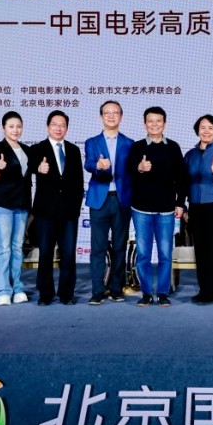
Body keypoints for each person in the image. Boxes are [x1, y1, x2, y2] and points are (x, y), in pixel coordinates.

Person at [126, 106, 187, 308]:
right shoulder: (137, 147)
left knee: (165, 254)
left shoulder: (173, 147)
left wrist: (180, 203)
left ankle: (162, 293)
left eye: (158, 121)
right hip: (141, 209)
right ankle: (146, 293)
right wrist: (139, 167)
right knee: (143, 254)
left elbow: (182, 178)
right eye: (150, 121)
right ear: (144, 124)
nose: (154, 124)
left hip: (167, 210)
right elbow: (128, 172)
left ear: (164, 124)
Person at [28, 110, 84, 306]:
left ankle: (66, 293)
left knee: (68, 254)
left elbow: (79, 182)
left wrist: (76, 208)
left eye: (62, 125)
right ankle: (45, 294)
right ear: (47, 127)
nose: (58, 128)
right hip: (45, 212)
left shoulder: (74, 150)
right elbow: (28, 168)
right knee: (45, 253)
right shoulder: (37, 149)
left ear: (66, 128)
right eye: (55, 124)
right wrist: (38, 168)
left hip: (69, 212)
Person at [83, 100, 134, 305]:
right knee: (98, 248)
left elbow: (133, 170)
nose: (111, 116)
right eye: (107, 112)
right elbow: (88, 163)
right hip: (99, 200)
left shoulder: (129, 143)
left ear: (121, 116)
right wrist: (98, 165)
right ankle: (97, 290)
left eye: (115, 112)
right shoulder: (92, 142)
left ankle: (116, 288)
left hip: (122, 199)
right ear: (101, 116)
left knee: (120, 246)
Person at [0, 111, 33, 306]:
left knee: (17, 247)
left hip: (22, 204)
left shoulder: (27, 149)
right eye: (11, 126)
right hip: (2, 203)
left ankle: (18, 288)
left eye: (18, 126)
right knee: (4, 248)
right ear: (3, 128)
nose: (15, 130)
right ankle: (3, 291)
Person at [183, 114, 213, 305]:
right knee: (200, 250)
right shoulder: (190, 155)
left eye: (210, 128)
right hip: (196, 207)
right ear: (197, 130)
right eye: (203, 127)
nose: (206, 131)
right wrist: (183, 205)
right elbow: (184, 182)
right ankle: (203, 290)